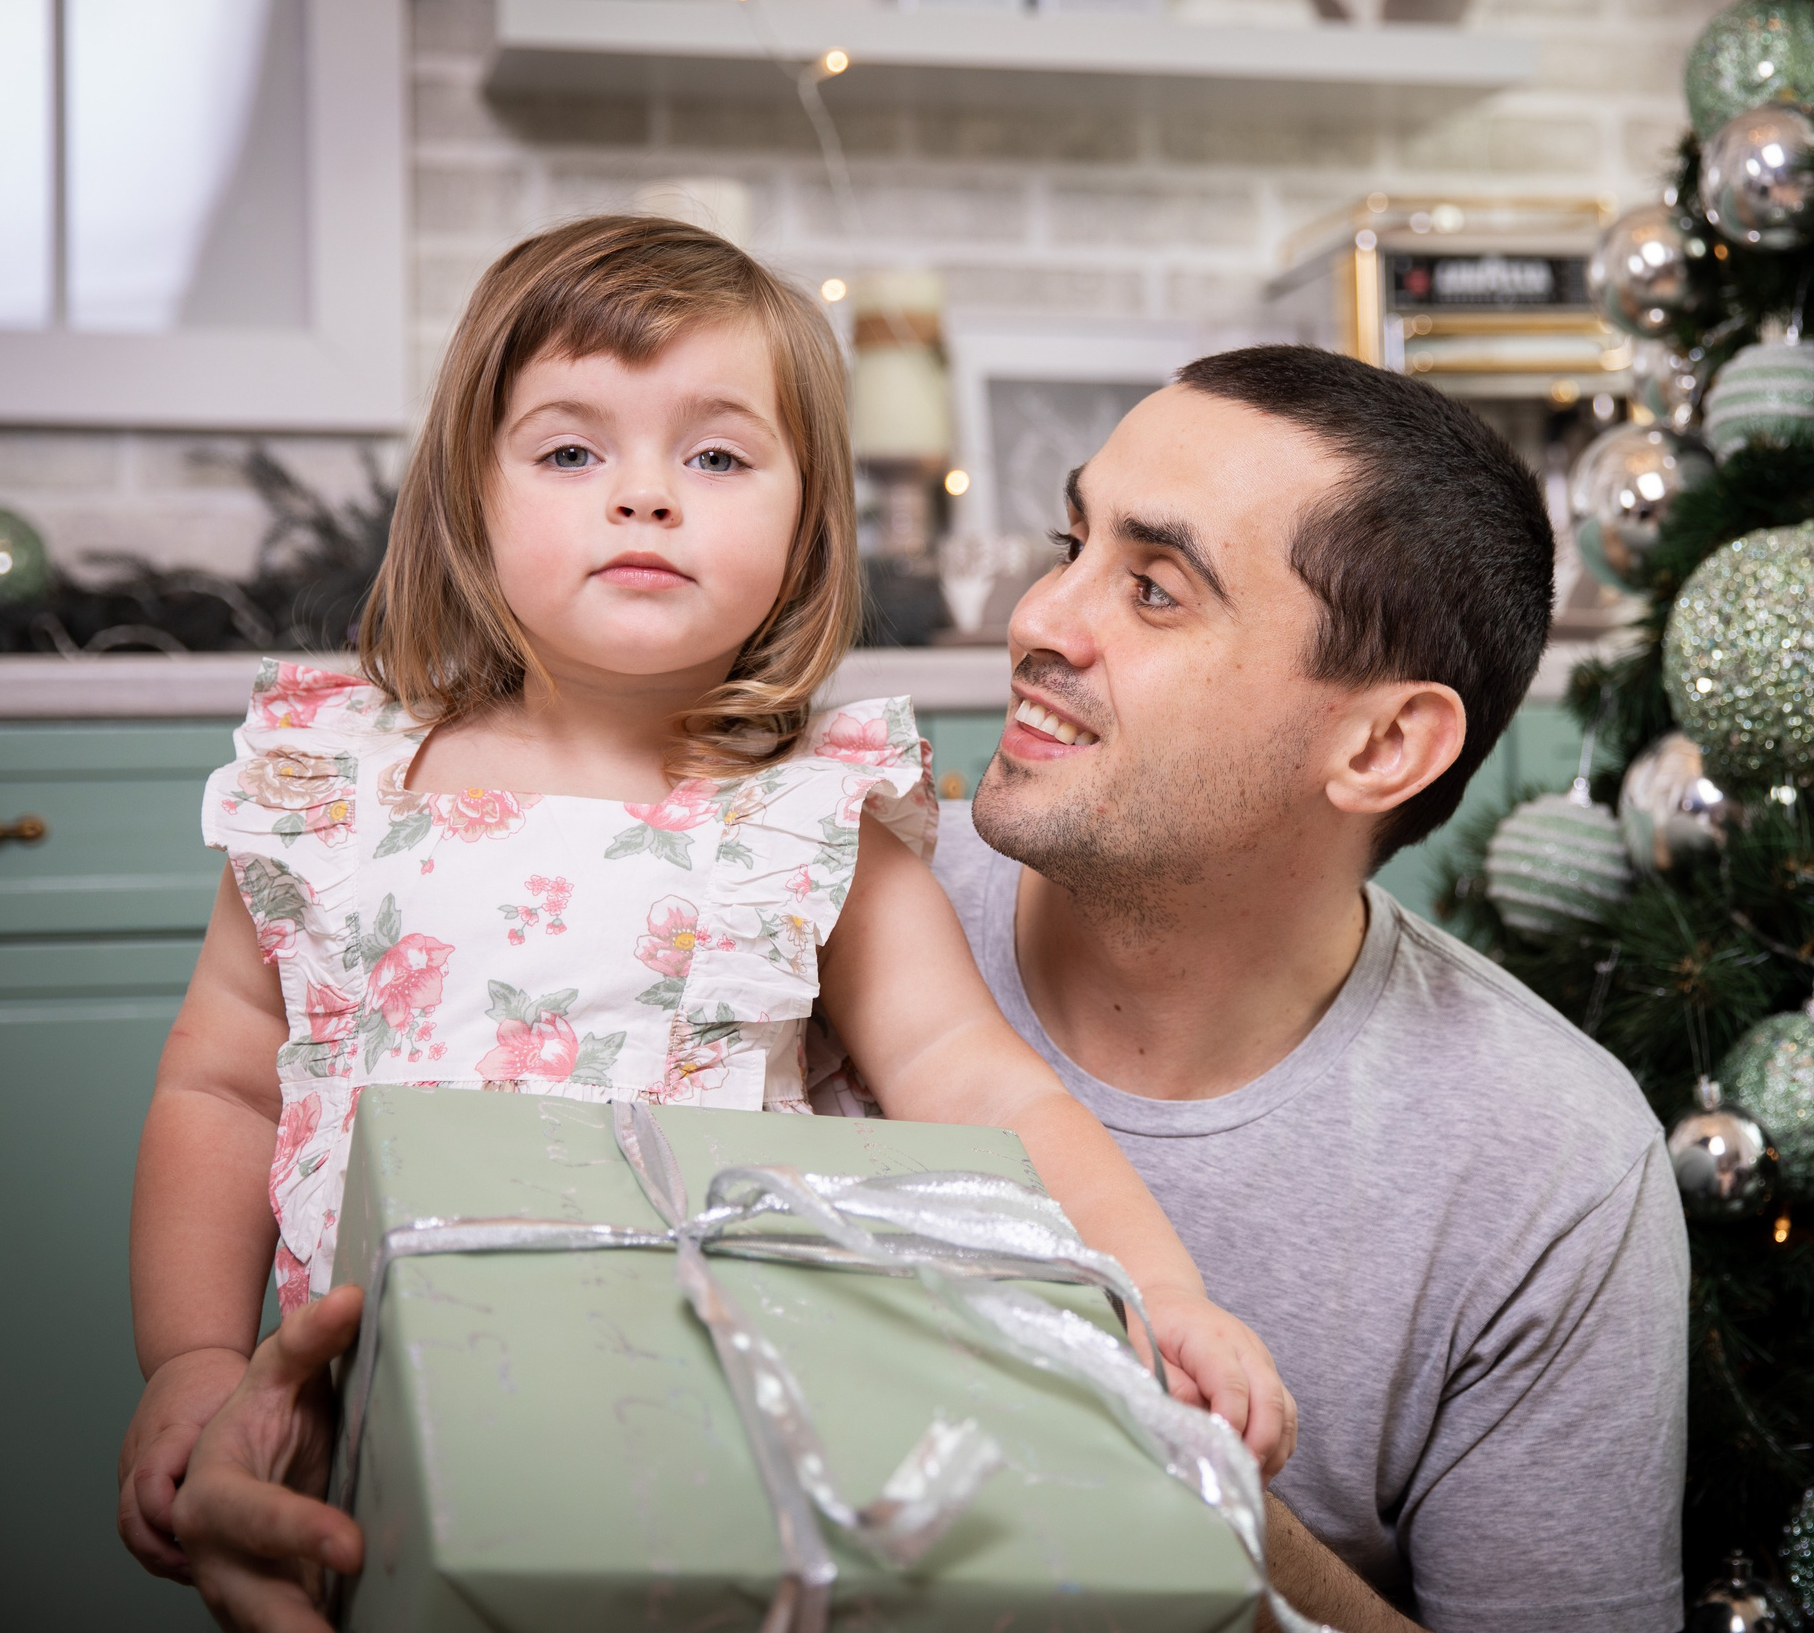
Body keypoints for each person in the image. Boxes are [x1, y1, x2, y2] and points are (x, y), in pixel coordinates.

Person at [114, 217, 1293, 1630]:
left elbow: (979, 1084)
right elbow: (225, 1080)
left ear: (807, 522)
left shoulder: (810, 819)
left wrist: (1157, 1289)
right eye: (570, 451)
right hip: (365, 1413)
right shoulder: (333, 786)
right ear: (464, 497)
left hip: (715, 1419)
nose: (645, 498)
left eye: (718, 456)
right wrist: (189, 1360)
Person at [932, 345, 1690, 1632]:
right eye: (1072, 544)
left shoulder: (1552, 1169)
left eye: (1155, 589)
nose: (1040, 621)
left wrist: (1183, 1472)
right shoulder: (803, 913)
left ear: (1382, 744)